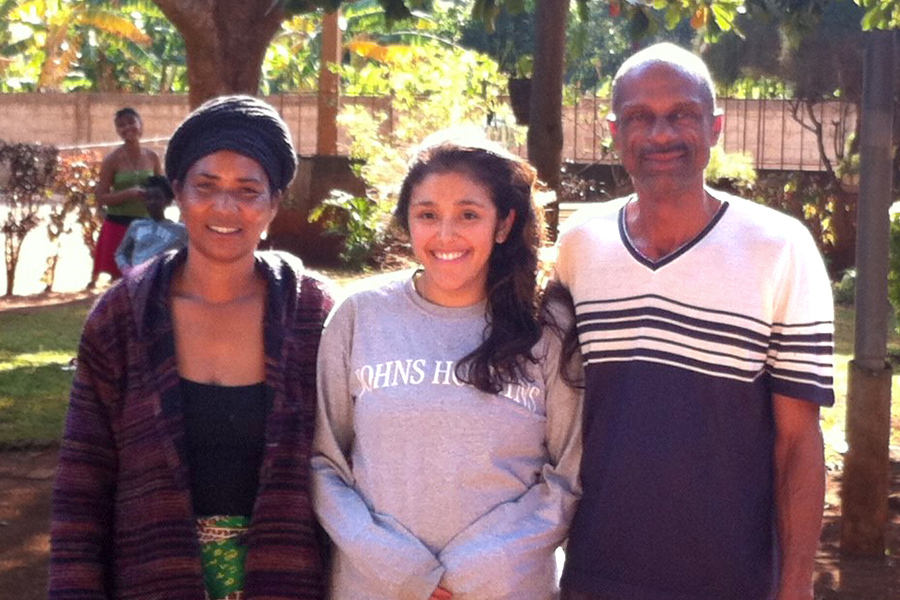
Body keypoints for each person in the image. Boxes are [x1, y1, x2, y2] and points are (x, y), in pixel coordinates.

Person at [555, 43, 834, 600]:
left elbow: (798, 442)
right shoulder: (580, 245)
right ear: (615, 131)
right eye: (640, 116)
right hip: (594, 572)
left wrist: (796, 584)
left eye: (682, 114)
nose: (661, 134)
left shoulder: (779, 247)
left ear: (716, 127)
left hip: (733, 577)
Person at [49, 95, 330, 600]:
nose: (225, 207)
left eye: (248, 190)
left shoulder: (314, 317)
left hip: (288, 581)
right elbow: (81, 488)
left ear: (273, 204)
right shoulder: (122, 320)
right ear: (177, 191)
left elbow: (354, 471)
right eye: (206, 186)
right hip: (150, 580)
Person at [312, 132, 583, 600]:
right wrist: (403, 569)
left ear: (504, 224)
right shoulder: (359, 316)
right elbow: (325, 464)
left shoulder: (547, 326)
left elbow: (567, 476)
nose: (445, 235)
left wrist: (468, 571)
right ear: (407, 222)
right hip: (376, 588)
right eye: (427, 215)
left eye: (469, 215)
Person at [92, 107, 163, 282]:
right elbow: (101, 197)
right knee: (119, 281)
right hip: (118, 226)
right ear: (117, 131)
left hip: (146, 226)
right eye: (121, 125)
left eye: (131, 122)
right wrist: (129, 193)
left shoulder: (152, 157)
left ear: (141, 124)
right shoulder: (112, 160)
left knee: (146, 279)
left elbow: (162, 189)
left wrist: (156, 194)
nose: (127, 128)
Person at [114, 175, 187, 275]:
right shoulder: (137, 226)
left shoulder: (180, 231)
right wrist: (127, 270)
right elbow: (121, 253)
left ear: (168, 201)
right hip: (137, 281)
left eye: (157, 198)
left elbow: (191, 256)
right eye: (148, 198)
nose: (152, 202)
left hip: (163, 282)